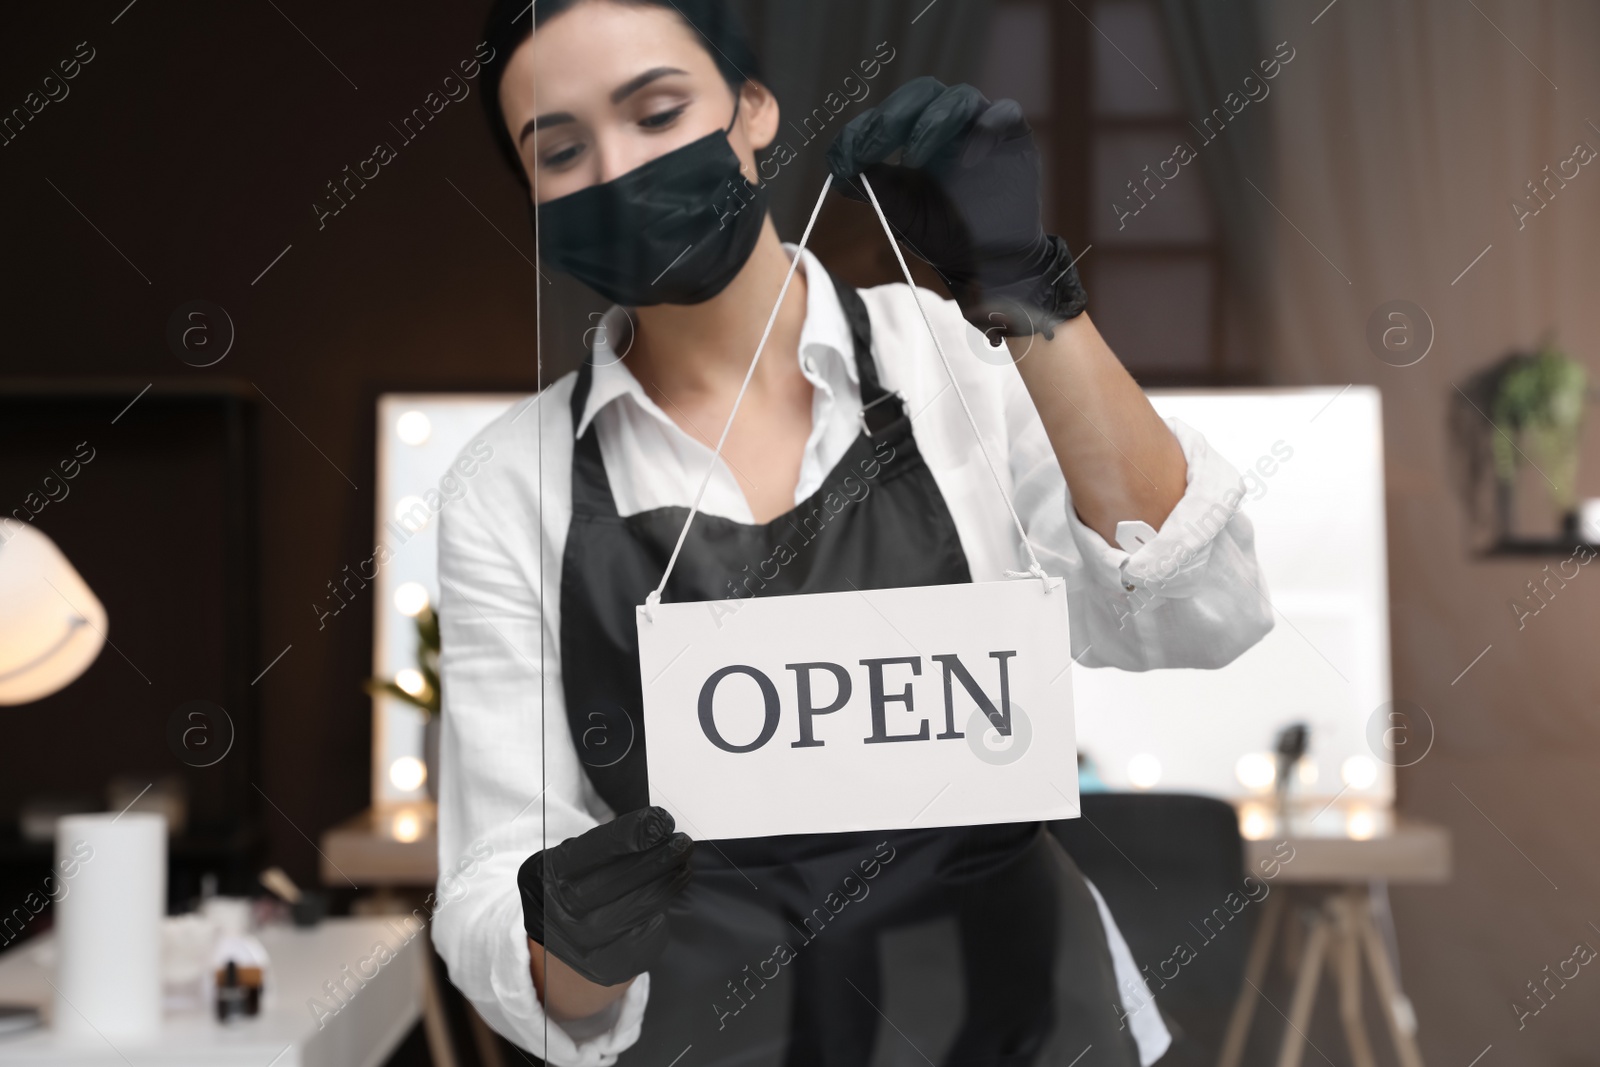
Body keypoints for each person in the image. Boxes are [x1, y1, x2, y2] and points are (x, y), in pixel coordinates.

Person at [431, 0, 1275, 1063]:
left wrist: (1025, 298)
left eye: (655, 112)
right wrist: (564, 938)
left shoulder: (949, 356)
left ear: (752, 108)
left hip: (1027, 1027)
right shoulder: (508, 483)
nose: (617, 168)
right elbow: (488, 883)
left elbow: (1202, 615)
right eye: (560, 149)